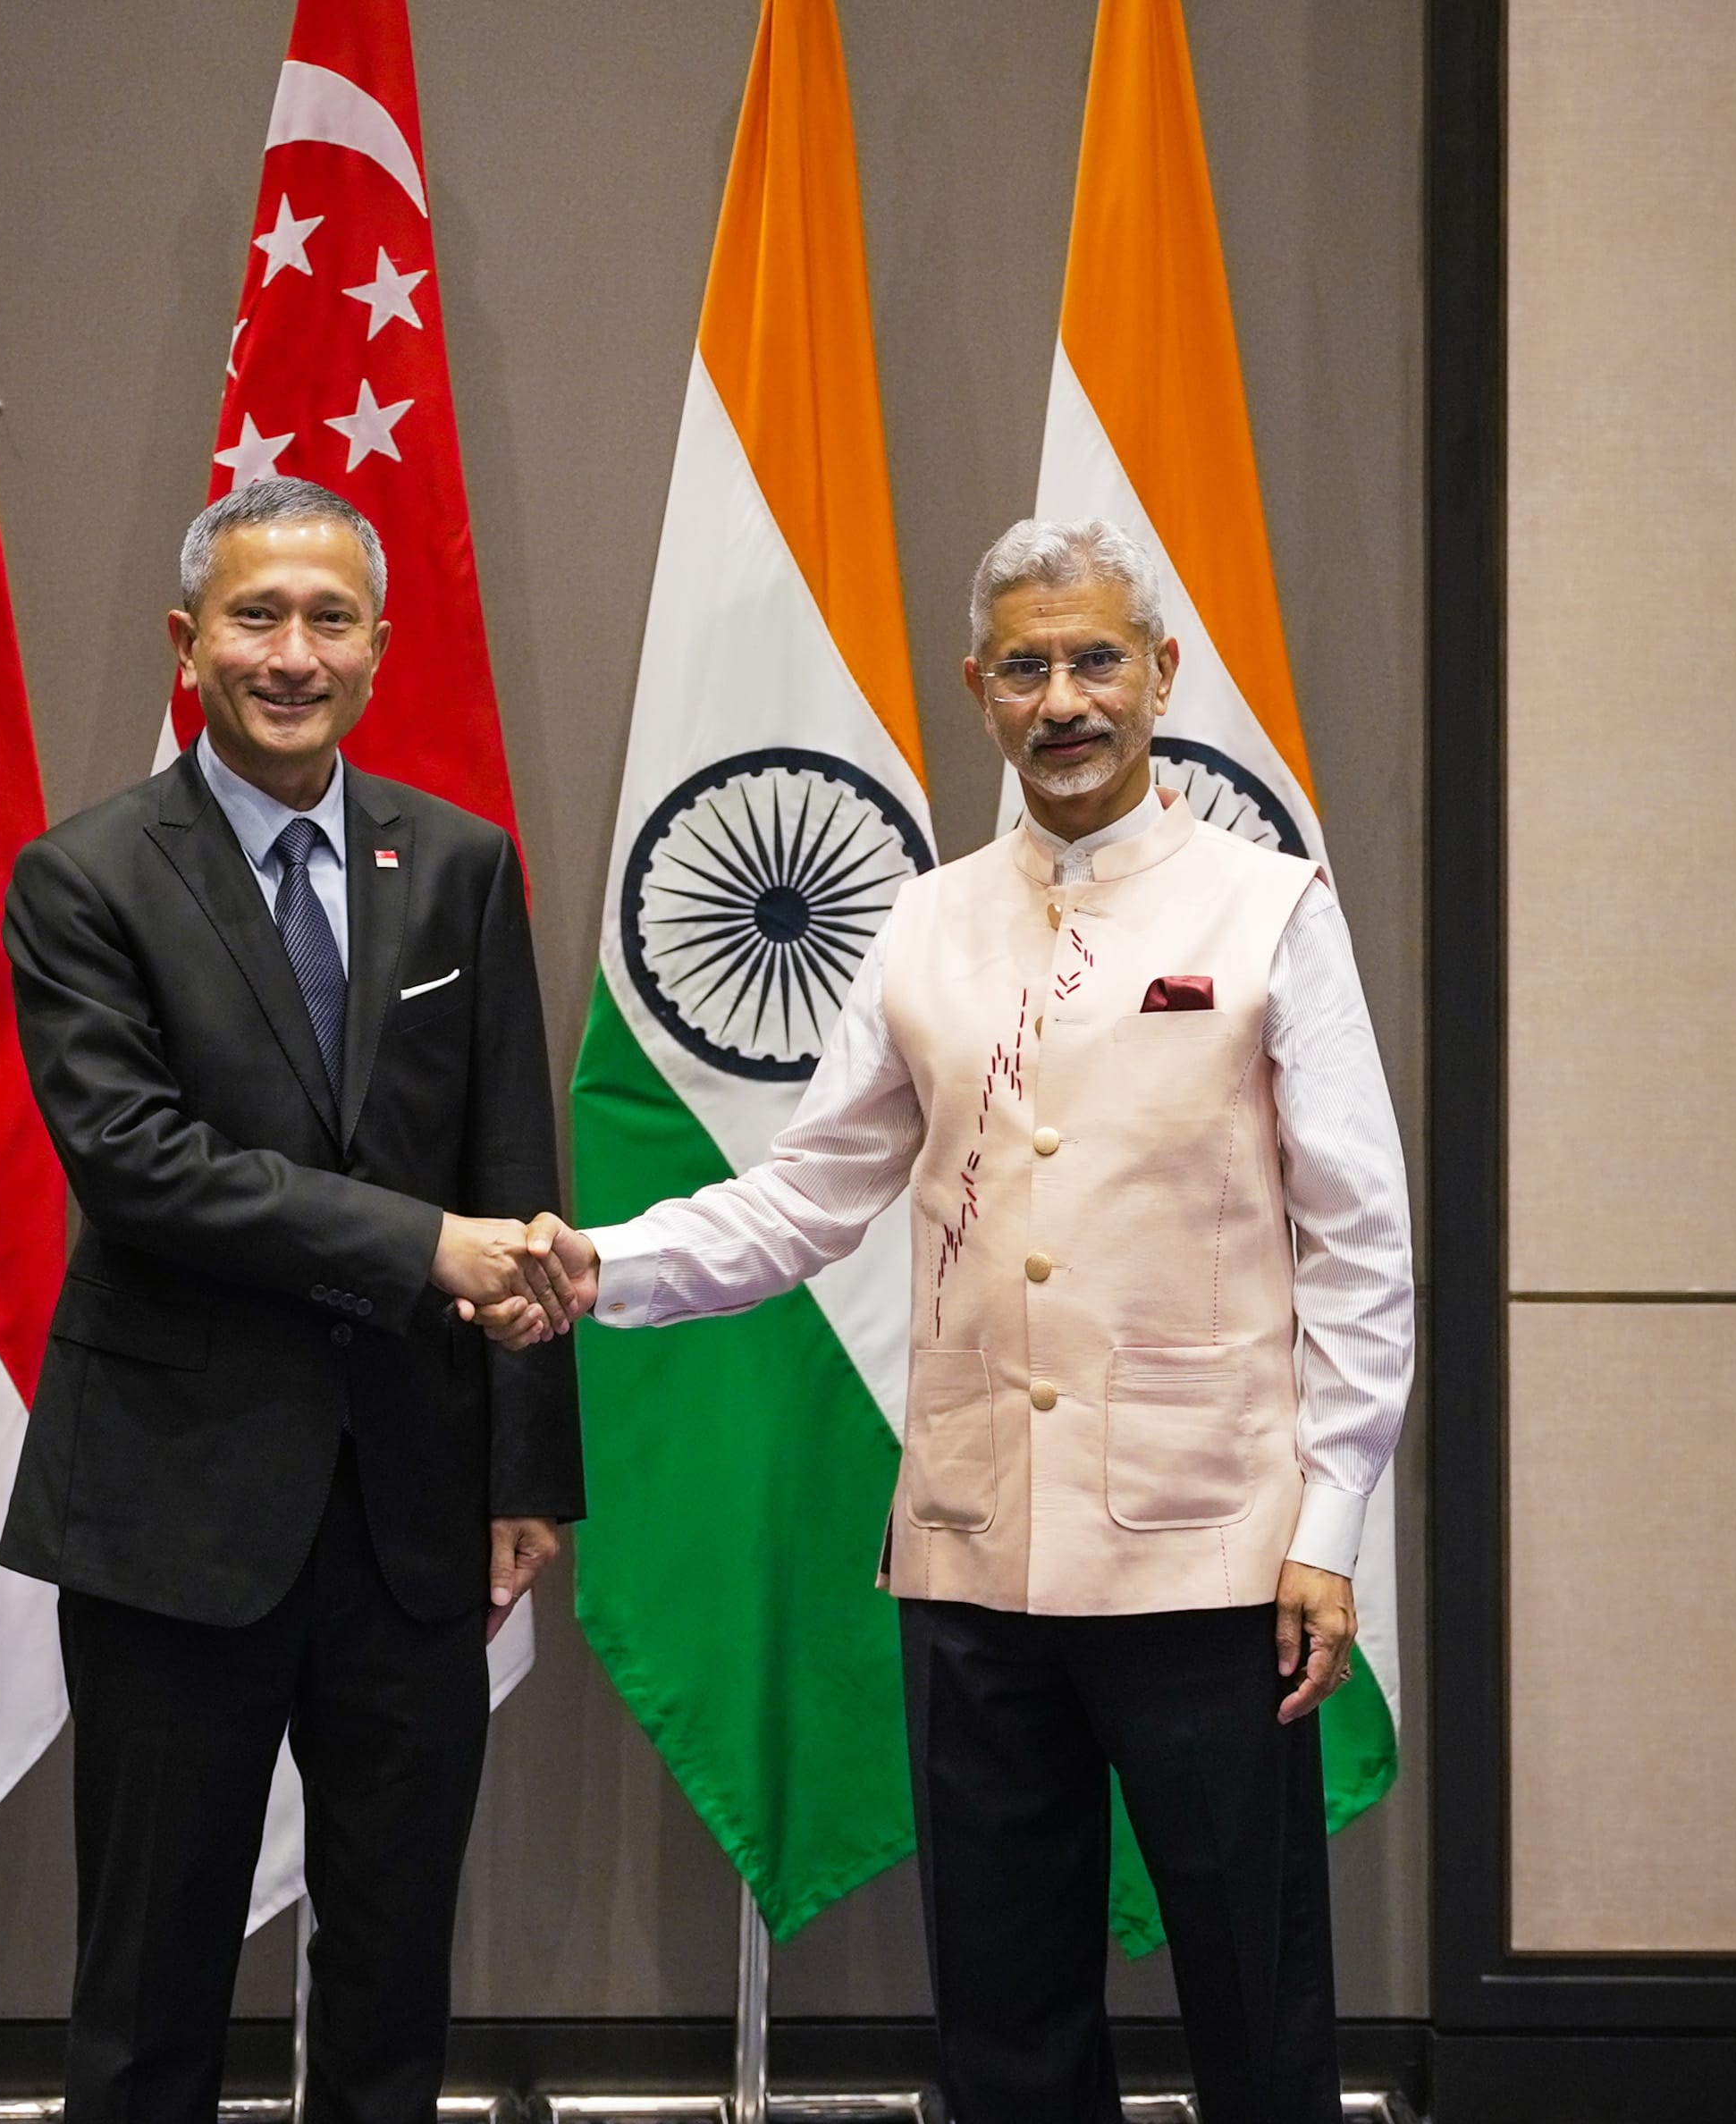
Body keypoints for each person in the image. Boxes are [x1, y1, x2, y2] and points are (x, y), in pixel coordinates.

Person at [488, 520, 1411, 2124]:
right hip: (974, 1551)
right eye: (1031, 667)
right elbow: (803, 1199)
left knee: (1256, 2008)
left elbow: (1360, 1251)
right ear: (982, 691)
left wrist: (1328, 1523)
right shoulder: (925, 924)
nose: (1068, 698)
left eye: (1099, 660)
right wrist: (591, 1268)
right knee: (1003, 2016)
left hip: (1212, 1553)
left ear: (1161, 675)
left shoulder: (1268, 912)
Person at [0, 476, 581, 2124]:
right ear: (188, 645)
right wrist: (414, 1247)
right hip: (175, 1516)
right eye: (256, 619)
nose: (293, 654)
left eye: (331, 620)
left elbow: (514, 1168)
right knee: (149, 1979)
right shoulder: (87, 877)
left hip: (411, 1517)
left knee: (396, 1973)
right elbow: (138, 1165)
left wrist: (526, 1470)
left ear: (382, 650)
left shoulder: (458, 863)